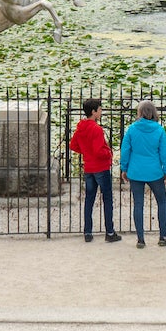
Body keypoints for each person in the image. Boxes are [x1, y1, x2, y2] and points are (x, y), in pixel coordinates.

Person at [119, 100, 166, 248]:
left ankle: (141, 239)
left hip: (136, 171)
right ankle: (163, 235)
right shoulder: (159, 130)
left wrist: (124, 168)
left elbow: (125, 150)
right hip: (154, 171)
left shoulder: (132, 129)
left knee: (138, 204)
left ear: (140, 112)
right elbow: (164, 152)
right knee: (162, 202)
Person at [69, 98, 121, 242]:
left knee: (89, 199)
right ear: (94, 112)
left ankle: (87, 232)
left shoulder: (81, 127)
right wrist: (108, 153)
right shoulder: (96, 129)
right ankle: (110, 232)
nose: (101, 111)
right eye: (99, 109)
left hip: (88, 167)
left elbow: (73, 145)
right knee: (107, 199)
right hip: (101, 167)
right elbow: (99, 150)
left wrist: (85, 151)